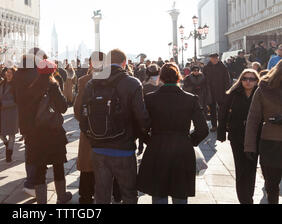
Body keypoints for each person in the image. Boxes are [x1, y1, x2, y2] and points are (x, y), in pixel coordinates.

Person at [80, 49, 150, 204]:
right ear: (124, 63)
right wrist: (141, 136)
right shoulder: (132, 83)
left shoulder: (92, 83)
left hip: (98, 148)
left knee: (102, 194)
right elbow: (142, 117)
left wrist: (92, 137)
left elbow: (81, 115)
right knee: (129, 194)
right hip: (124, 148)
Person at [137, 63, 209, 204]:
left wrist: (149, 140)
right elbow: (203, 130)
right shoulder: (190, 99)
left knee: (158, 193)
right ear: (179, 78)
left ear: (161, 78)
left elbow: (140, 126)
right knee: (180, 194)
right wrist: (189, 141)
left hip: (157, 147)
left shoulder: (151, 98)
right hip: (182, 148)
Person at [27, 59, 72, 204]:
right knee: (58, 166)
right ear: (52, 71)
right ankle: (61, 196)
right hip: (54, 133)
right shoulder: (53, 86)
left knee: (40, 169)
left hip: (37, 135)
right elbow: (63, 107)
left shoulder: (32, 87)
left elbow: (28, 113)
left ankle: (42, 201)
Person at [217, 69, 260, 204]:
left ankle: (249, 197)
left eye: (252, 79)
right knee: (241, 168)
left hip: (255, 136)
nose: (248, 82)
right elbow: (223, 114)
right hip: (237, 135)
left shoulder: (260, 94)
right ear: (241, 80)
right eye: (245, 78)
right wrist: (221, 133)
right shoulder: (233, 94)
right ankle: (245, 200)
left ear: (256, 81)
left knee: (251, 168)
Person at [244, 60, 282, 204]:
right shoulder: (263, 89)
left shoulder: (263, 89)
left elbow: (253, 120)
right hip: (270, 143)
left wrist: (249, 146)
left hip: (269, 143)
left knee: (271, 187)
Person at [13, 48, 46, 197]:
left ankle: (30, 181)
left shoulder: (18, 74)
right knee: (39, 151)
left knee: (29, 149)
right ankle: (33, 182)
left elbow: (15, 97)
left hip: (24, 118)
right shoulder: (38, 73)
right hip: (39, 118)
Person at [74, 51, 105, 204]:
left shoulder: (84, 80)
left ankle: (85, 196)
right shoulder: (112, 79)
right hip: (107, 131)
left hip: (88, 130)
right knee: (103, 166)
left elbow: (78, 109)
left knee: (88, 165)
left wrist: (84, 123)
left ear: (91, 64)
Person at [203, 53, 231, 132]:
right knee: (212, 110)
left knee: (222, 109)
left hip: (221, 91)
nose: (215, 59)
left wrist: (227, 90)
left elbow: (227, 79)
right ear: (210, 59)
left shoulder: (223, 67)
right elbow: (204, 80)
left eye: (216, 58)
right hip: (210, 91)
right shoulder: (206, 68)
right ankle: (214, 125)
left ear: (218, 58)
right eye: (213, 58)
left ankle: (223, 125)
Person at [0, 67, 19, 163]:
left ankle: (9, 154)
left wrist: (4, 104)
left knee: (11, 134)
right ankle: (6, 144)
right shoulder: (2, 83)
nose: (8, 74)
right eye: (7, 72)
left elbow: (17, 101)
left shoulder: (16, 85)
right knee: (0, 133)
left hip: (12, 113)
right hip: (1, 113)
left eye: (10, 72)